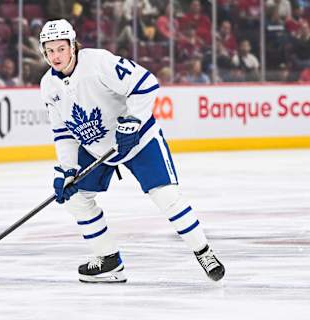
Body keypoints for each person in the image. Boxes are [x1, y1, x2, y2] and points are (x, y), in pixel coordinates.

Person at [39, 19, 225, 283]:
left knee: (166, 196)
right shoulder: (48, 85)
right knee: (76, 198)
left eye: (60, 48)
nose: (55, 56)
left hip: (139, 140)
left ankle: (204, 252)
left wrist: (133, 122)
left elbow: (146, 83)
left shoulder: (98, 63)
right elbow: (64, 133)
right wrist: (66, 169)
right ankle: (109, 260)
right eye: (49, 50)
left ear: (72, 46)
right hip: (97, 148)